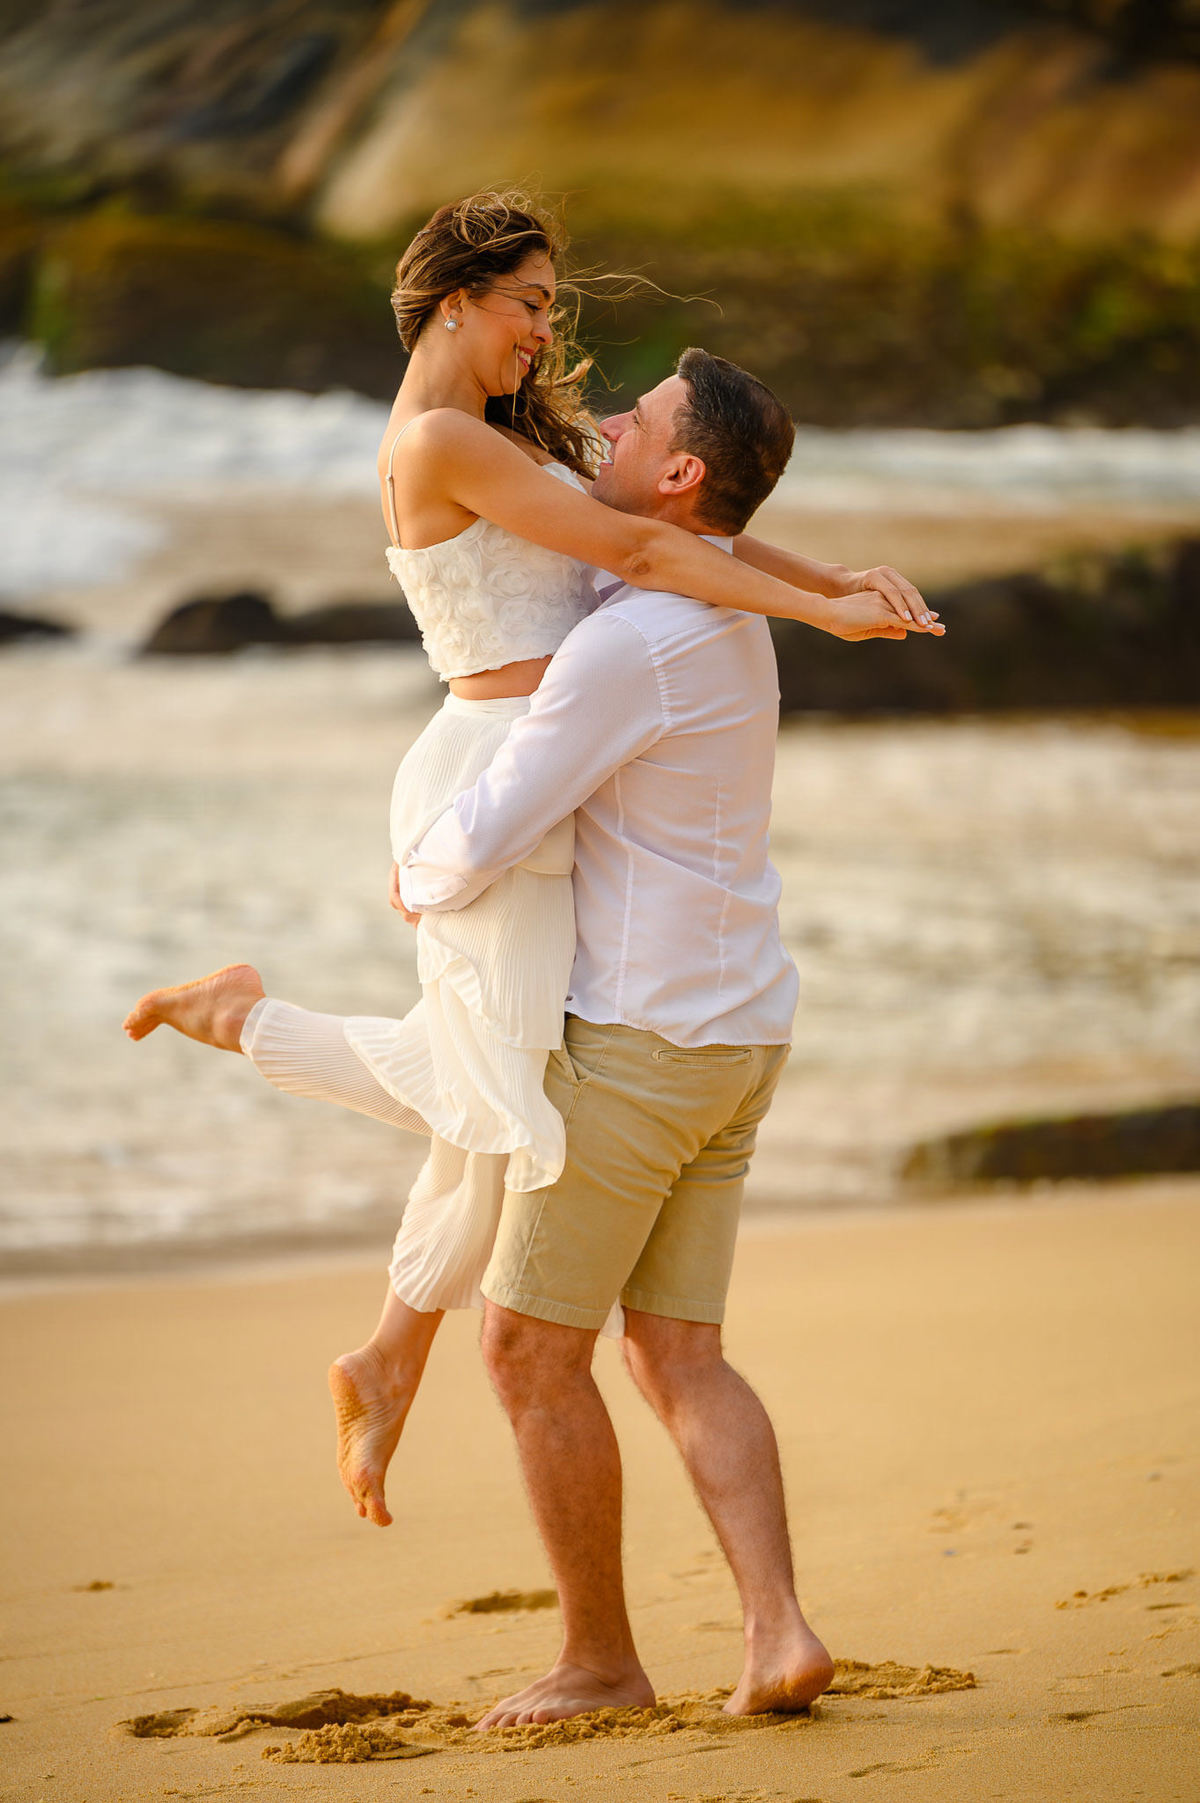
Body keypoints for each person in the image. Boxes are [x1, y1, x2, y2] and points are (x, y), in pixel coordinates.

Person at [123, 190, 942, 1541]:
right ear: (457, 299)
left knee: (506, 1090)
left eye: (550, 306)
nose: (545, 331)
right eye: (530, 302)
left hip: (550, 775)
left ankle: (386, 1356)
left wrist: (832, 574)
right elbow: (637, 548)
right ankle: (244, 1025)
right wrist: (822, 616)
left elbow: (686, 527)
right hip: (490, 781)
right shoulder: (436, 440)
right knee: (504, 1097)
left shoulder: (508, 427)